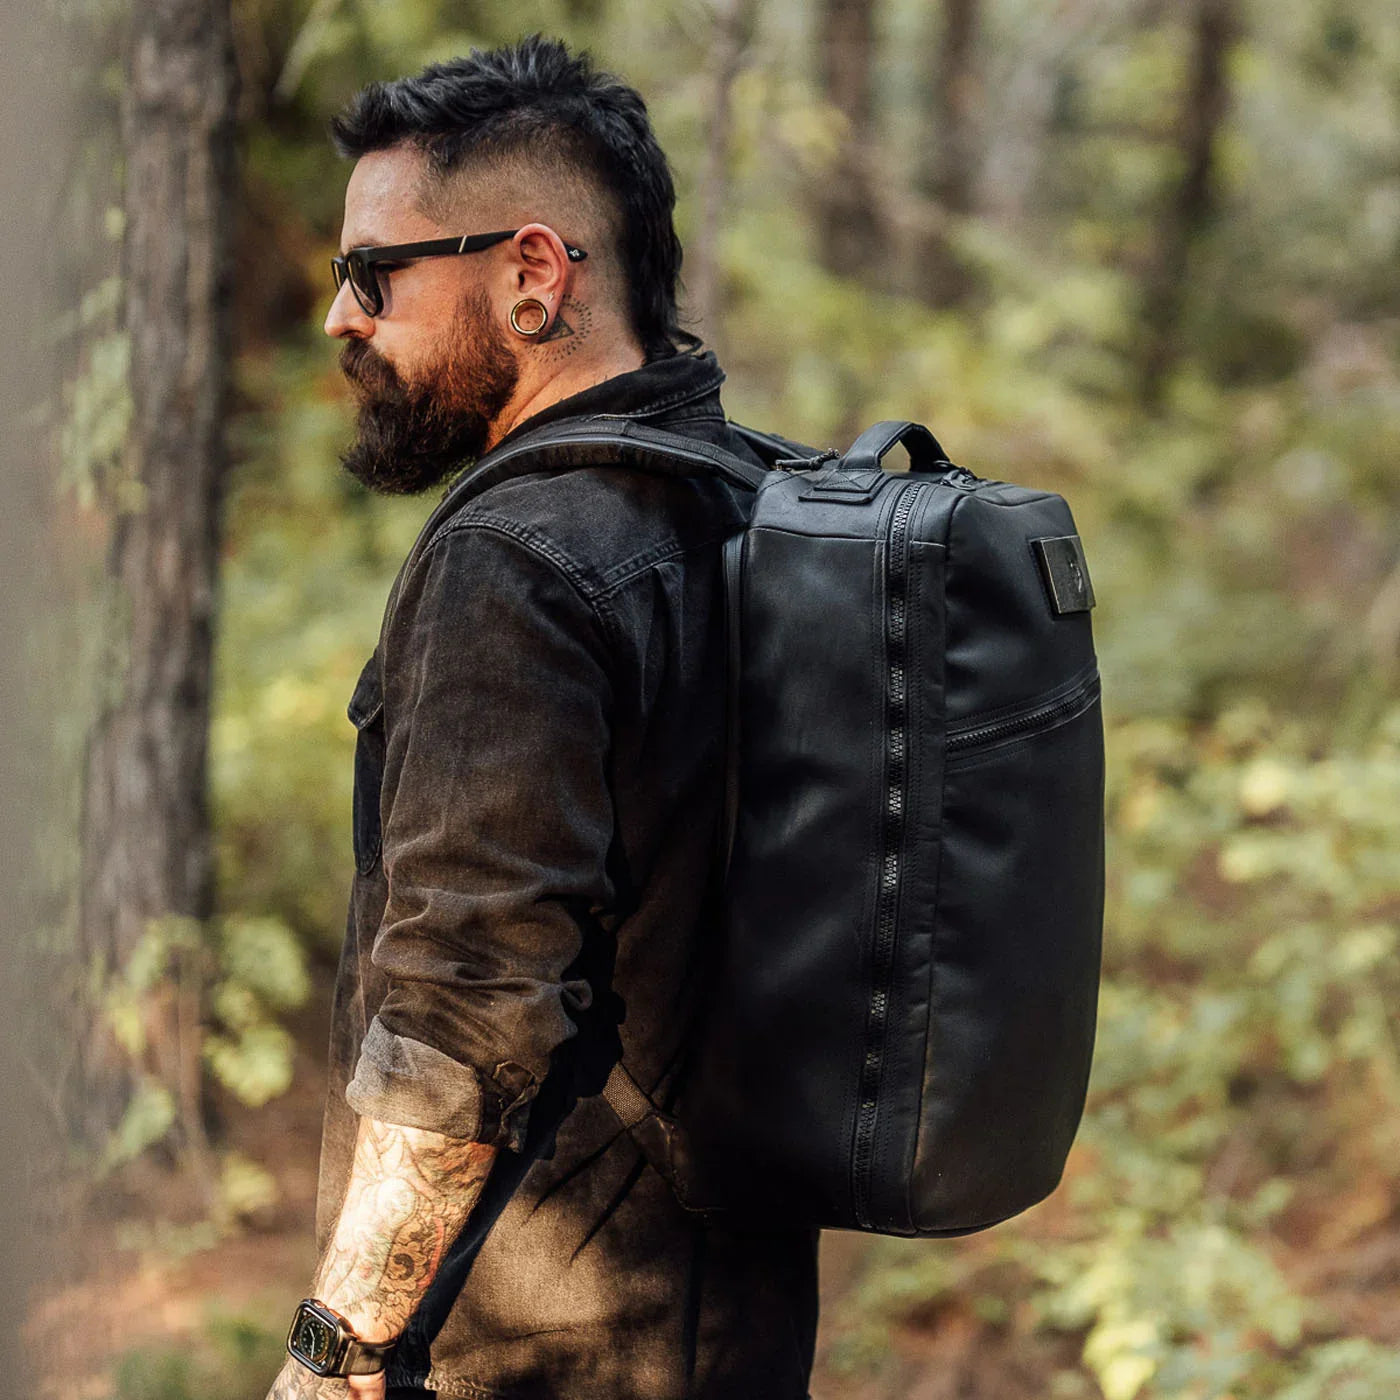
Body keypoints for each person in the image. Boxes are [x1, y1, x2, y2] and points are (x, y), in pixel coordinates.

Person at [264, 34, 819, 1400]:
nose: (340, 317)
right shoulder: (744, 503)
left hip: (534, 1350)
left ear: (532, 275)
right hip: (732, 1319)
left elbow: (467, 1011)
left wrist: (341, 1349)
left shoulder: (511, 563)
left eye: (372, 273)